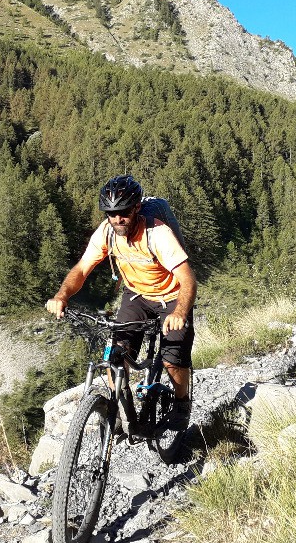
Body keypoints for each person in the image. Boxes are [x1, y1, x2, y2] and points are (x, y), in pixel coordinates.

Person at [46, 175, 196, 429]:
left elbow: (188, 279)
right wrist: (62, 295)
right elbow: (82, 269)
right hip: (136, 295)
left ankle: (182, 403)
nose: (118, 219)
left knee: (173, 360)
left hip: (171, 297)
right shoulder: (107, 233)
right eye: (111, 213)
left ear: (137, 207)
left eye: (124, 212)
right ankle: (123, 411)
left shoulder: (157, 234)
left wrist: (180, 311)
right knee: (115, 355)